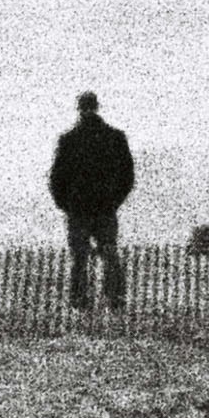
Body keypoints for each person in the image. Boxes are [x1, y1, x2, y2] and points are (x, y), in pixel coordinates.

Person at [48, 91, 136, 309]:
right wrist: (114, 201)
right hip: (105, 208)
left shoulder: (69, 140)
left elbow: (57, 178)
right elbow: (127, 176)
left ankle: (79, 302)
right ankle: (115, 301)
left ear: (79, 108)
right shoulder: (115, 137)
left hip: (78, 209)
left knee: (79, 258)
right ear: (97, 107)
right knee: (109, 252)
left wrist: (67, 205)